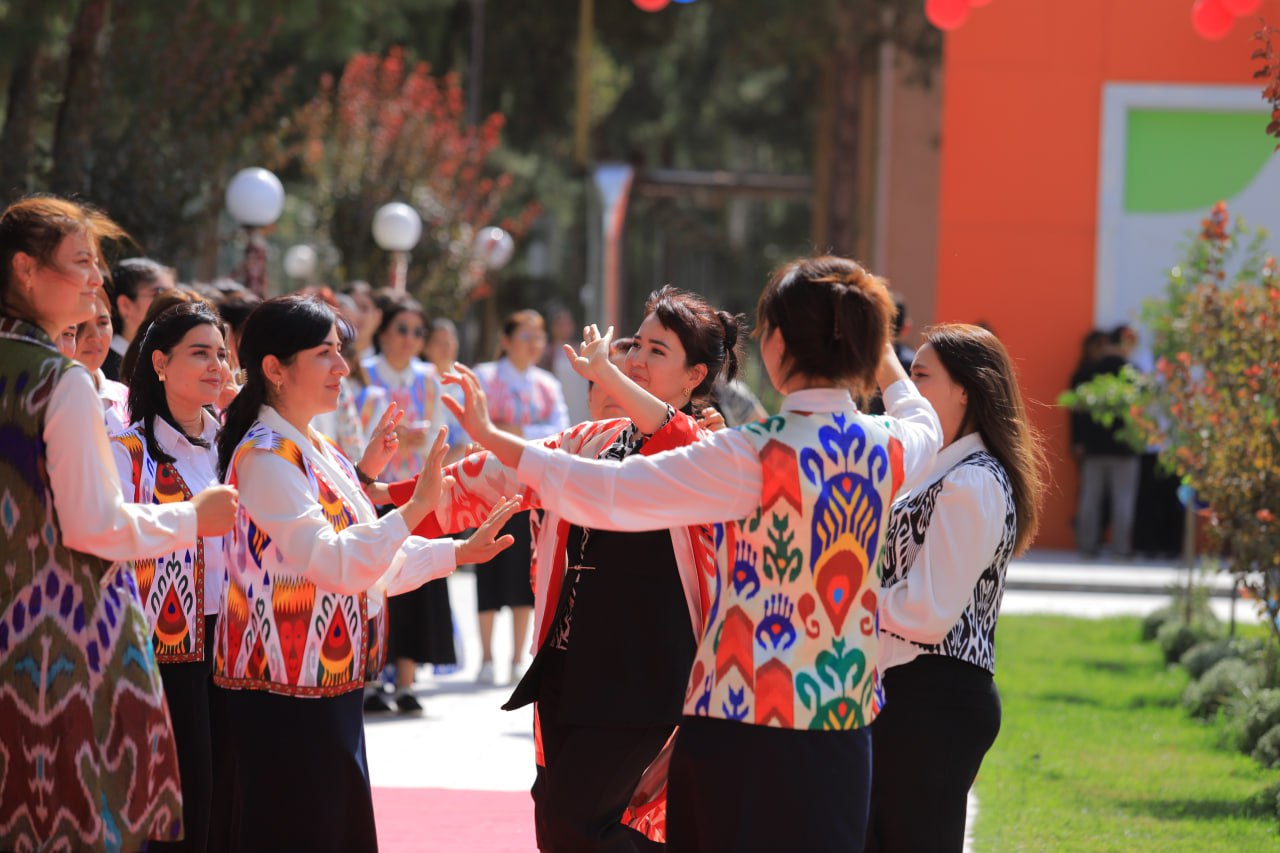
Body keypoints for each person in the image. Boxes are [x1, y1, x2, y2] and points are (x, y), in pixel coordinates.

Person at [444, 256, 942, 851]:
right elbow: (923, 417)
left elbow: (608, 492)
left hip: (736, 713)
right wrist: (880, 354)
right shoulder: (891, 445)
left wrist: (493, 437)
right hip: (842, 715)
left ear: (776, 346)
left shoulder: (746, 455)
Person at [389, 286, 741, 850]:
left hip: (646, 674)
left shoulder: (706, 449)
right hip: (569, 662)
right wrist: (382, 503)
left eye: (657, 352)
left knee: (576, 825)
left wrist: (607, 374)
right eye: (637, 346)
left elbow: (671, 435)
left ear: (695, 375)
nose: (637, 359)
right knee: (556, 824)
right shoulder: (593, 439)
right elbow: (495, 477)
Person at [211, 294, 518, 851]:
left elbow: (367, 564)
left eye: (340, 351)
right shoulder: (266, 456)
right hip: (282, 689)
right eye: (324, 353)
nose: (341, 367)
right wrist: (415, 509)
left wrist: (454, 554)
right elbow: (335, 563)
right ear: (275, 368)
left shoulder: (315, 447)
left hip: (324, 680)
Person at [0, 195, 239, 851]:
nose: (96, 276)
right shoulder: (61, 382)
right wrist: (191, 517)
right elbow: (94, 526)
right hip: (60, 646)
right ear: (26, 269)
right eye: (81, 260)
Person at [865, 323, 1048, 852]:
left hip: (933, 700)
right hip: (910, 695)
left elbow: (926, 612)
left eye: (921, 375)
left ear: (965, 390)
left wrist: (843, 603)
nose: (906, 387)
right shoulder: (939, 467)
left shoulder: (973, 480)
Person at [110, 301, 236, 852]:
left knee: (232, 789)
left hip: (237, 638)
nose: (216, 366)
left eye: (222, 354)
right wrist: (188, 519)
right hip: (162, 645)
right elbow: (111, 533)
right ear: (160, 362)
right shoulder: (128, 450)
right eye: (200, 353)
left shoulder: (239, 444)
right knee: (182, 793)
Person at [361, 297, 453, 713]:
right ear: (383, 331)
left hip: (415, 490)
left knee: (415, 583)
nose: (410, 338)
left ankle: (406, 680)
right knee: (374, 580)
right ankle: (371, 678)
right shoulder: (364, 371)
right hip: (373, 489)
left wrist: (424, 441)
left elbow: (442, 430)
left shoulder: (430, 378)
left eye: (418, 331)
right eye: (402, 329)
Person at [471, 309, 569, 685]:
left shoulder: (547, 383)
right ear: (506, 340)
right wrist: (523, 433)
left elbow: (560, 429)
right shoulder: (484, 377)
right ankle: (485, 656)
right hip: (489, 485)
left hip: (531, 486)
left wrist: (514, 430)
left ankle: (516, 657)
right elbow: (477, 425)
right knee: (487, 568)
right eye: (525, 336)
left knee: (526, 569)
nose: (533, 344)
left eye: (538, 337)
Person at [1069, 324, 1140, 558]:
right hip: (1125, 447)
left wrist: (1078, 441)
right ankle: (1121, 548)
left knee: (1090, 498)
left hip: (1093, 447)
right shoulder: (1133, 373)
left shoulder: (1088, 372)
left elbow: (1076, 412)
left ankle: (1087, 546)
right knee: (1123, 501)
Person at [104, 256, 176, 380]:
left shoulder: (162, 362)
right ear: (125, 305)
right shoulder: (101, 365)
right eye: (159, 293)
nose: (173, 304)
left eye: (174, 295)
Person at [74, 285, 131, 432]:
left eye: (103, 323)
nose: (95, 336)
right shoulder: (44, 400)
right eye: (80, 324)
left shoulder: (126, 398)